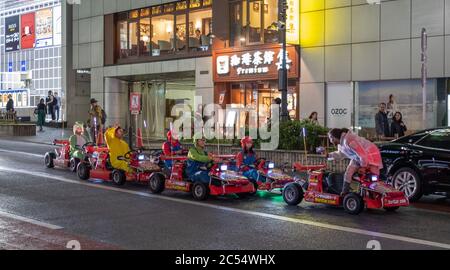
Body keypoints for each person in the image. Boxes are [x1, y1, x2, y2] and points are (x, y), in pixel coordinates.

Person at [328, 128, 383, 196]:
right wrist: (329, 155)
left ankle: (375, 195)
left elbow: (362, 153)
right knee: (348, 173)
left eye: (330, 138)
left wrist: (363, 167)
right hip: (358, 157)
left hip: (371, 155)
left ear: (334, 137)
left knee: (373, 176)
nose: (330, 141)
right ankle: (345, 193)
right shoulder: (341, 144)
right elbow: (341, 154)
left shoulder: (349, 140)